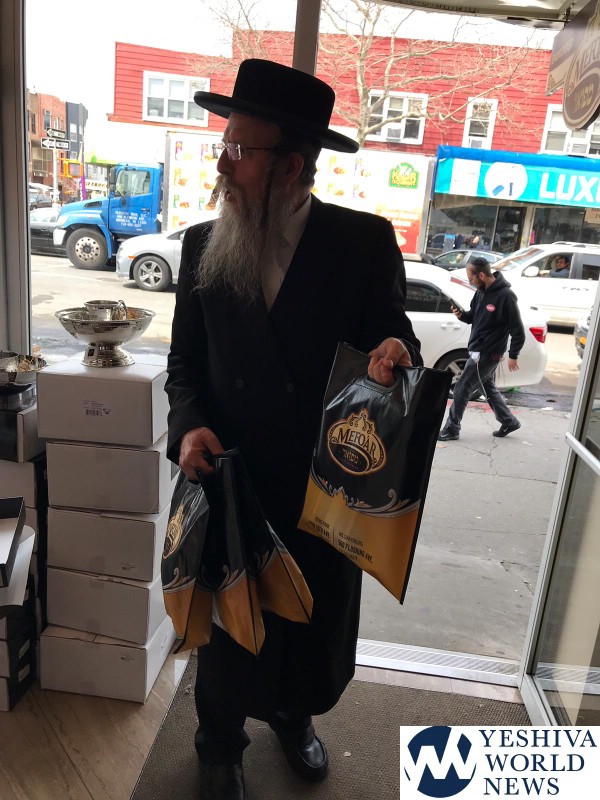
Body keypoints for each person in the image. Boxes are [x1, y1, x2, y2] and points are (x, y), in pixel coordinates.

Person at [165, 58, 421, 800]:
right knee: (229, 631)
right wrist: (188, 428)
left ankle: (292, 715)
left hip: (324, 485)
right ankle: (218, 744)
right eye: (224, 145)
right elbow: (185, 365)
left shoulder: (363, 243)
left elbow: (393, 340)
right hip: (233, 480)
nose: (222, 163)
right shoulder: (201, 245)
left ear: (292, 166)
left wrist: (393, 354)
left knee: (309, 624)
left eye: (239, 149)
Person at [437, 257, 524, 442]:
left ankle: (452, 429)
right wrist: (461, 315)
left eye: (471, 278)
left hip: (488, 353)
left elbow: (518, 330)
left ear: (482, 275)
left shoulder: (506, 296)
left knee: (461, 388)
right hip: (478, 349)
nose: (470, 282)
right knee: (488, 388)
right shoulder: (480, 292)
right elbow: (472, 317)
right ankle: (509, 421)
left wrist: (513, 355)